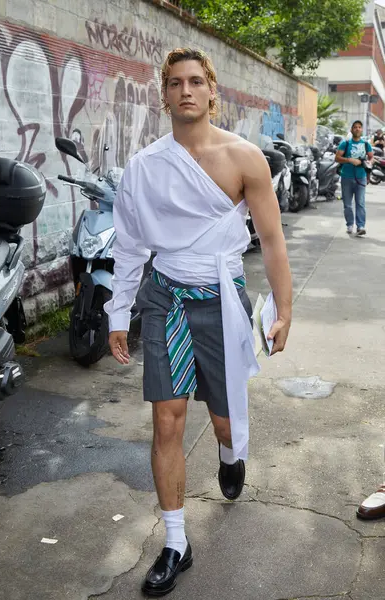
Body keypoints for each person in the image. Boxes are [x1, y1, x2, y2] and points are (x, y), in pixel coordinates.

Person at [105, 47, 292, 596]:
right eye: (173, 83)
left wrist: (285, 312)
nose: (184, 91)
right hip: (165, 297)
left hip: (222, 299)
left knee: (227, 424)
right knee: (167, 420)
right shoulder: (144, 167)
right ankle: (176, 542)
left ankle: (231, 458)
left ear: (211, 90)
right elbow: (131, 247)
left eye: (194, 81)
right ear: (163, 94)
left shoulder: (245, 158)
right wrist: (119, 312)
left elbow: (274, 241)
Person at [336, 121, 373, 236]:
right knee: (347, 204)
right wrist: (349, 160)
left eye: (359, 127)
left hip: (361, 177)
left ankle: (360, 226)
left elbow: (371, 158)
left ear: (362, 130)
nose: (357, 129)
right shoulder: (345, 143)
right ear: (351, 130)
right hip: (346, 177)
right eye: (355, 127)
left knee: (360, 202)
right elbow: (337, 158)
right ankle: (350, 224)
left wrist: (369, 163)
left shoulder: (366, 144)